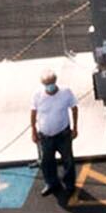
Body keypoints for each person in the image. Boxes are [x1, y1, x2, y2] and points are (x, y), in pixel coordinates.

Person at [31, 67, 80, 204]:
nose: (49, 87)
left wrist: (75, 127)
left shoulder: (65, 92)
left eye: (51, 83)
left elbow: (74, 108)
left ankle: (69, 184)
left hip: (63, 134)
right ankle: (51, 183)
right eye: (47, 84)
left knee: (68, 160)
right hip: (45, 136)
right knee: (47, 161)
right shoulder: (37, 95)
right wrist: (33, 130)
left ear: (55, 81)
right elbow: (33, 112)